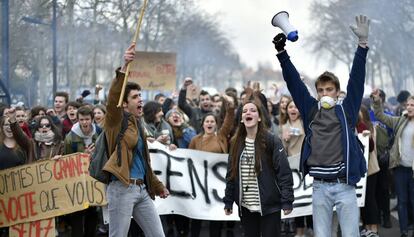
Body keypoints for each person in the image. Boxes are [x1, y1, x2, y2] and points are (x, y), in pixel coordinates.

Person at [273, 15, 370, 237]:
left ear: (337, 92)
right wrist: (282, 54)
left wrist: (362, 46)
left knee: (351, 235)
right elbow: (295, 84)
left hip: (345, 186)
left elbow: (356, 80)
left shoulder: (346, 110)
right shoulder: (310, 110)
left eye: (329, 90)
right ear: (317, 93)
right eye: (321, 90)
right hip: (320, 187)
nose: (325, 94)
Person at [102, 43, 169, 237]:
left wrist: (157, 186)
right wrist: (124, 67)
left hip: (141, 190)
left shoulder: (138, 125)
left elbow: (143, 162)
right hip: (121, 189)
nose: (141, 100)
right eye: (135, 97)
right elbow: (113, 98)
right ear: (124, 104)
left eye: (141, 96)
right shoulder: (115, 122)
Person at [223, 99, 294, 237]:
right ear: (242, 119)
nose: (248, 112)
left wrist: (287, 201)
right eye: (244, 111)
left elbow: (284, 172)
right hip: (246, 208)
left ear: (260, 117)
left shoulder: (271, 140)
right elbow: (231, 174)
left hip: (270, 207)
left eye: (253, 110)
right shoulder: (236, 143)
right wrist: (228, 201)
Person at [188, 94, 235, 237]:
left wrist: (230, 106)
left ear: (215, 124)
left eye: (212, 121)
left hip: (217, 184)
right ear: (203, 124)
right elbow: (187, 160)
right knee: (197, 216)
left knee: (216, 215)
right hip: (200, 184)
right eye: (207, 121)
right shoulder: (195, 140)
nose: (209, 123)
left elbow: (229, 119)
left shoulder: (220, 136)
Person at [371, 91, 414, 237]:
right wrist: (377, 102)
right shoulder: (400, 120)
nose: (409, 107)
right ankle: (403, 231)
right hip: (401, 169)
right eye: (407, 105)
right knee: (402, 201)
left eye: (412, 105)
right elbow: (381, 116)